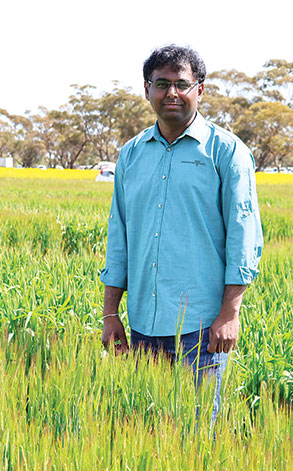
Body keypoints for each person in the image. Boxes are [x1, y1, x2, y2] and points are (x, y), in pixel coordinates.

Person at [100, 45, 263, 419]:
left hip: (201, 329)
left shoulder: (227, 152)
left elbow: (244, 236)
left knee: (195, 435)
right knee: (146, 432)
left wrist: (229, 314)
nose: (171, 93)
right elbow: (119, 235)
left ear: (200, 90)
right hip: (142, 324)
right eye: (162, 84)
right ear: (147, 90)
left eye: (182, 84)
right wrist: (111, 313)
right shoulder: (131, 154)